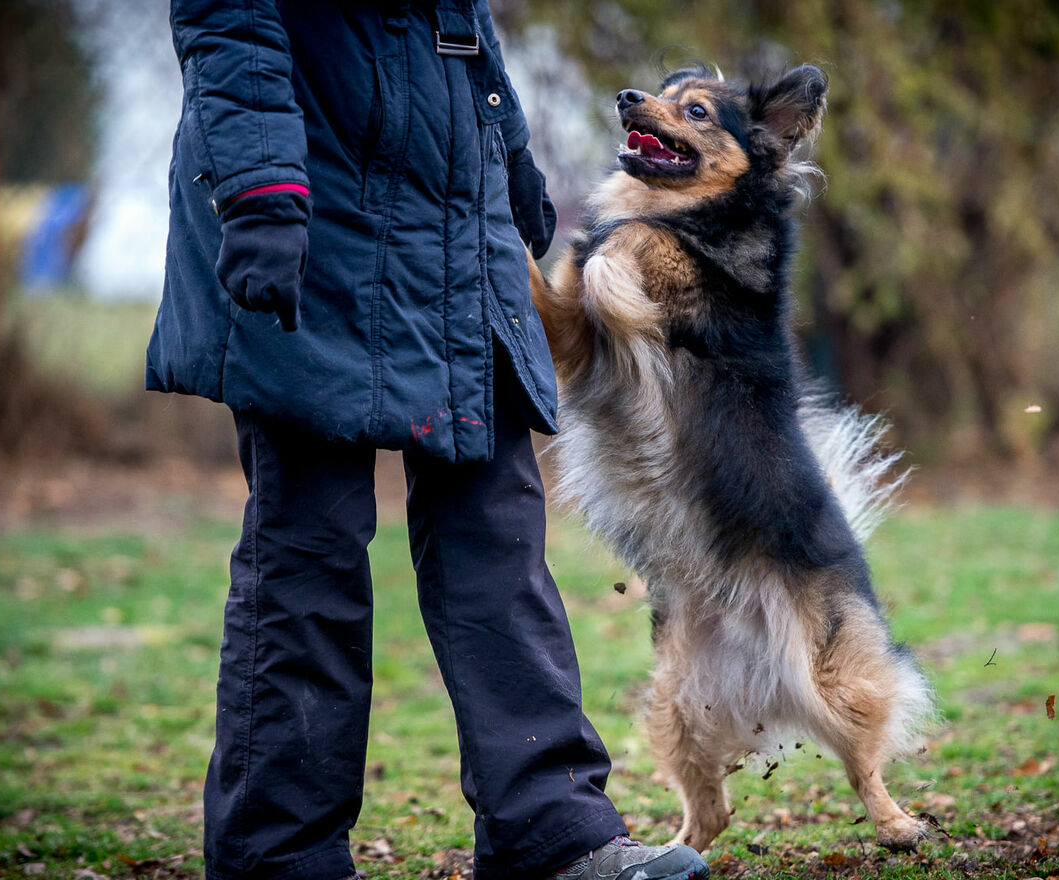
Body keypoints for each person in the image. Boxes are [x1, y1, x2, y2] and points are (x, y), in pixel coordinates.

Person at [148, 3, 711, 880]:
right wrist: (257, 185)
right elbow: (231, 19)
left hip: (453, 223)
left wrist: (511, 152)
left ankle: (551, 836)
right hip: (311, 210)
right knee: (309, 543)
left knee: (500, 535)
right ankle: (281, 858)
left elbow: (458, 16)